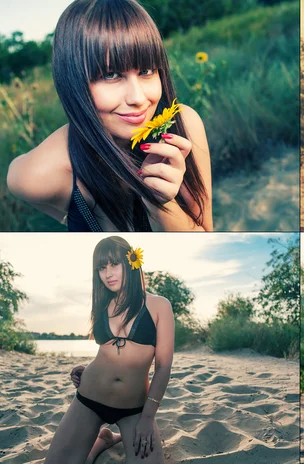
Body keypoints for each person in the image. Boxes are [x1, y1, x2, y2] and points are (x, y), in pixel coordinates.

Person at [7, 0, 212, 232]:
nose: (138, 98)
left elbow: (206, 233)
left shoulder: (184, 125)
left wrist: (160, 202)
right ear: (72, 81)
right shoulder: (44, 174)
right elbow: (16, 177)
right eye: (111, 74)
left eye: (146, 71)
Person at [45, 236, 174, 464]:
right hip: (89, 398)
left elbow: (163, 366)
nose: (108, 274)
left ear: (131, 263)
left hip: (133, 408)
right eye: (101, 268)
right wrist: (86, 369)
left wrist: (147, 417)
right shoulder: (103, 304)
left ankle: (103, 441)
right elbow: (107, 352)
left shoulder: (159, 305)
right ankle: (99, 443)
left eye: (114, 264)